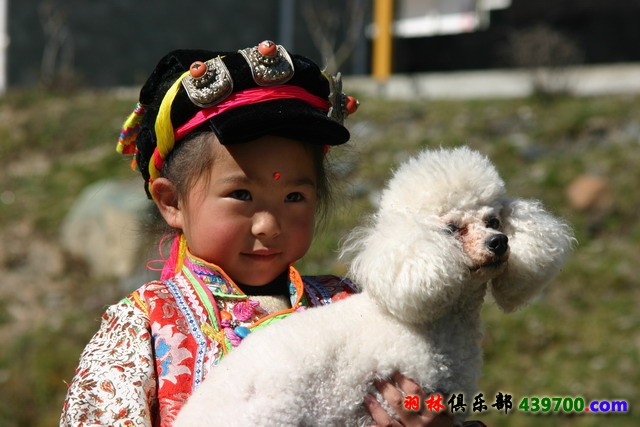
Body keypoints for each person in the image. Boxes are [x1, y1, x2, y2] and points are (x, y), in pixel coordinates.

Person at [60, 40, 460, 427]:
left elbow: (424, 398)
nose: (268, 224)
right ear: (172, 202)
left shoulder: (354, 306)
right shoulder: (144, 327)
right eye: (241, 194)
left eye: (293, 196)